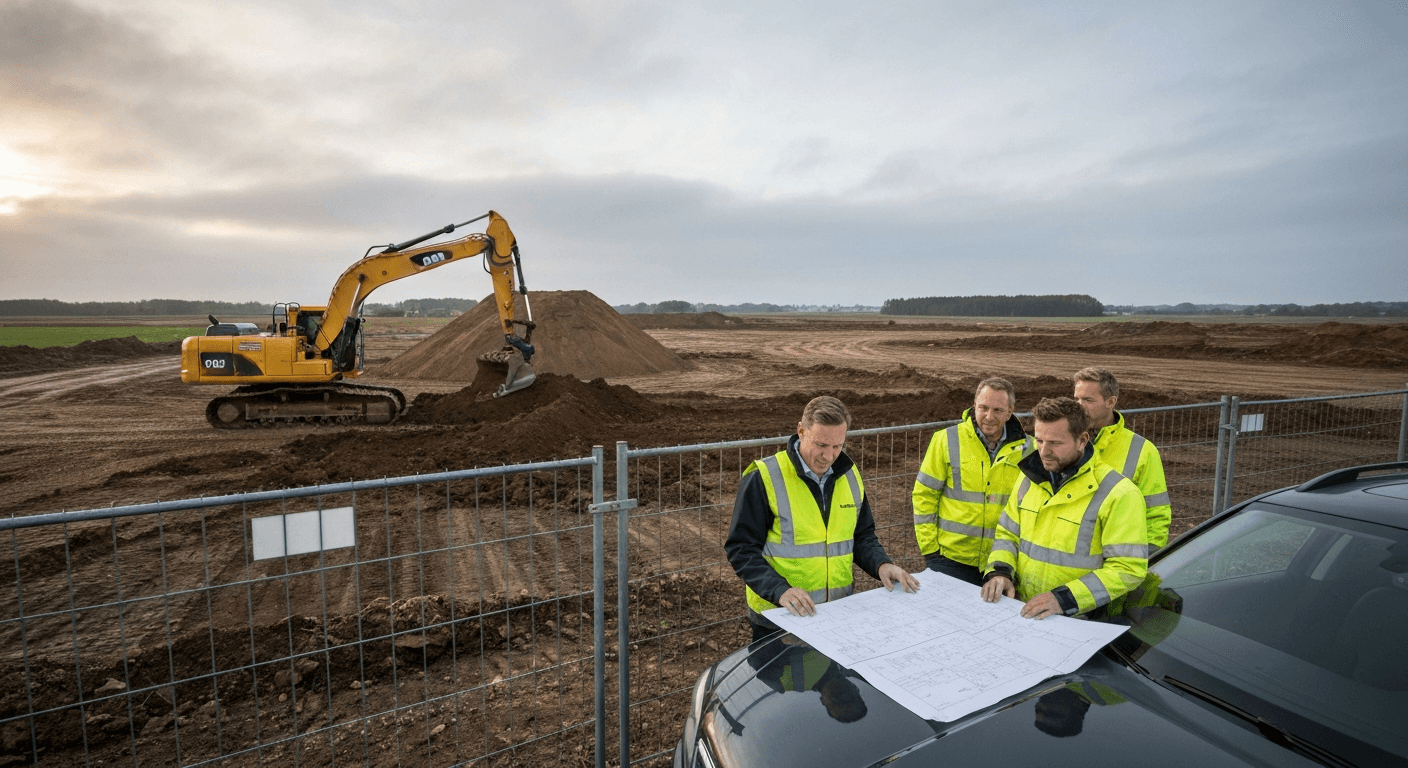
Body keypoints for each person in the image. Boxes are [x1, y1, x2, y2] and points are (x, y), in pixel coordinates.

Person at [726, 395, 920, 643]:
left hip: (837, 615)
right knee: (784, 683)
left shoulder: (849, 475)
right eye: (821, 445)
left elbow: (861, 536)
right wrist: (780, 590)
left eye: (837, 446)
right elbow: (741, 548)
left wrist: (882, 565)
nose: (828, 456)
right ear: (801, 431)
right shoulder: (765, 477)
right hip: (780, 618)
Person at [981, 397, 1148, 619]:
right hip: (1023, 611)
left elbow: (1127, 569)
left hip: (1079, 620)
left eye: (1055, 443)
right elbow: (1007, 534)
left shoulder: (1119, 494)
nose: (1043, 451)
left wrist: (1065, 599)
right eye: (1039, 440)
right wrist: (1000, 572)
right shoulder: (1028, 479)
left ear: (1082, 440)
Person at [912, 377, 1033, 586]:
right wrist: (931, 550)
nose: (988, 416)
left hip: (1003, 563)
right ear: (974, 405)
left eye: (997, 410)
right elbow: (924, 496)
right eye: (983, 408)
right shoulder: (945, 439)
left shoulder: (1029, 449)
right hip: (950, 559)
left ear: (1010, 411)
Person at [1073, 367, 1171, 552]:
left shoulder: (1142, 450)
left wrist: (1148, 555)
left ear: (1111, 402)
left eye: (1088, 400)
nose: (1079, 405)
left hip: (1116, 558)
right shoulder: (1063, 442)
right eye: (1077, 398)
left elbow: (1156, 512)